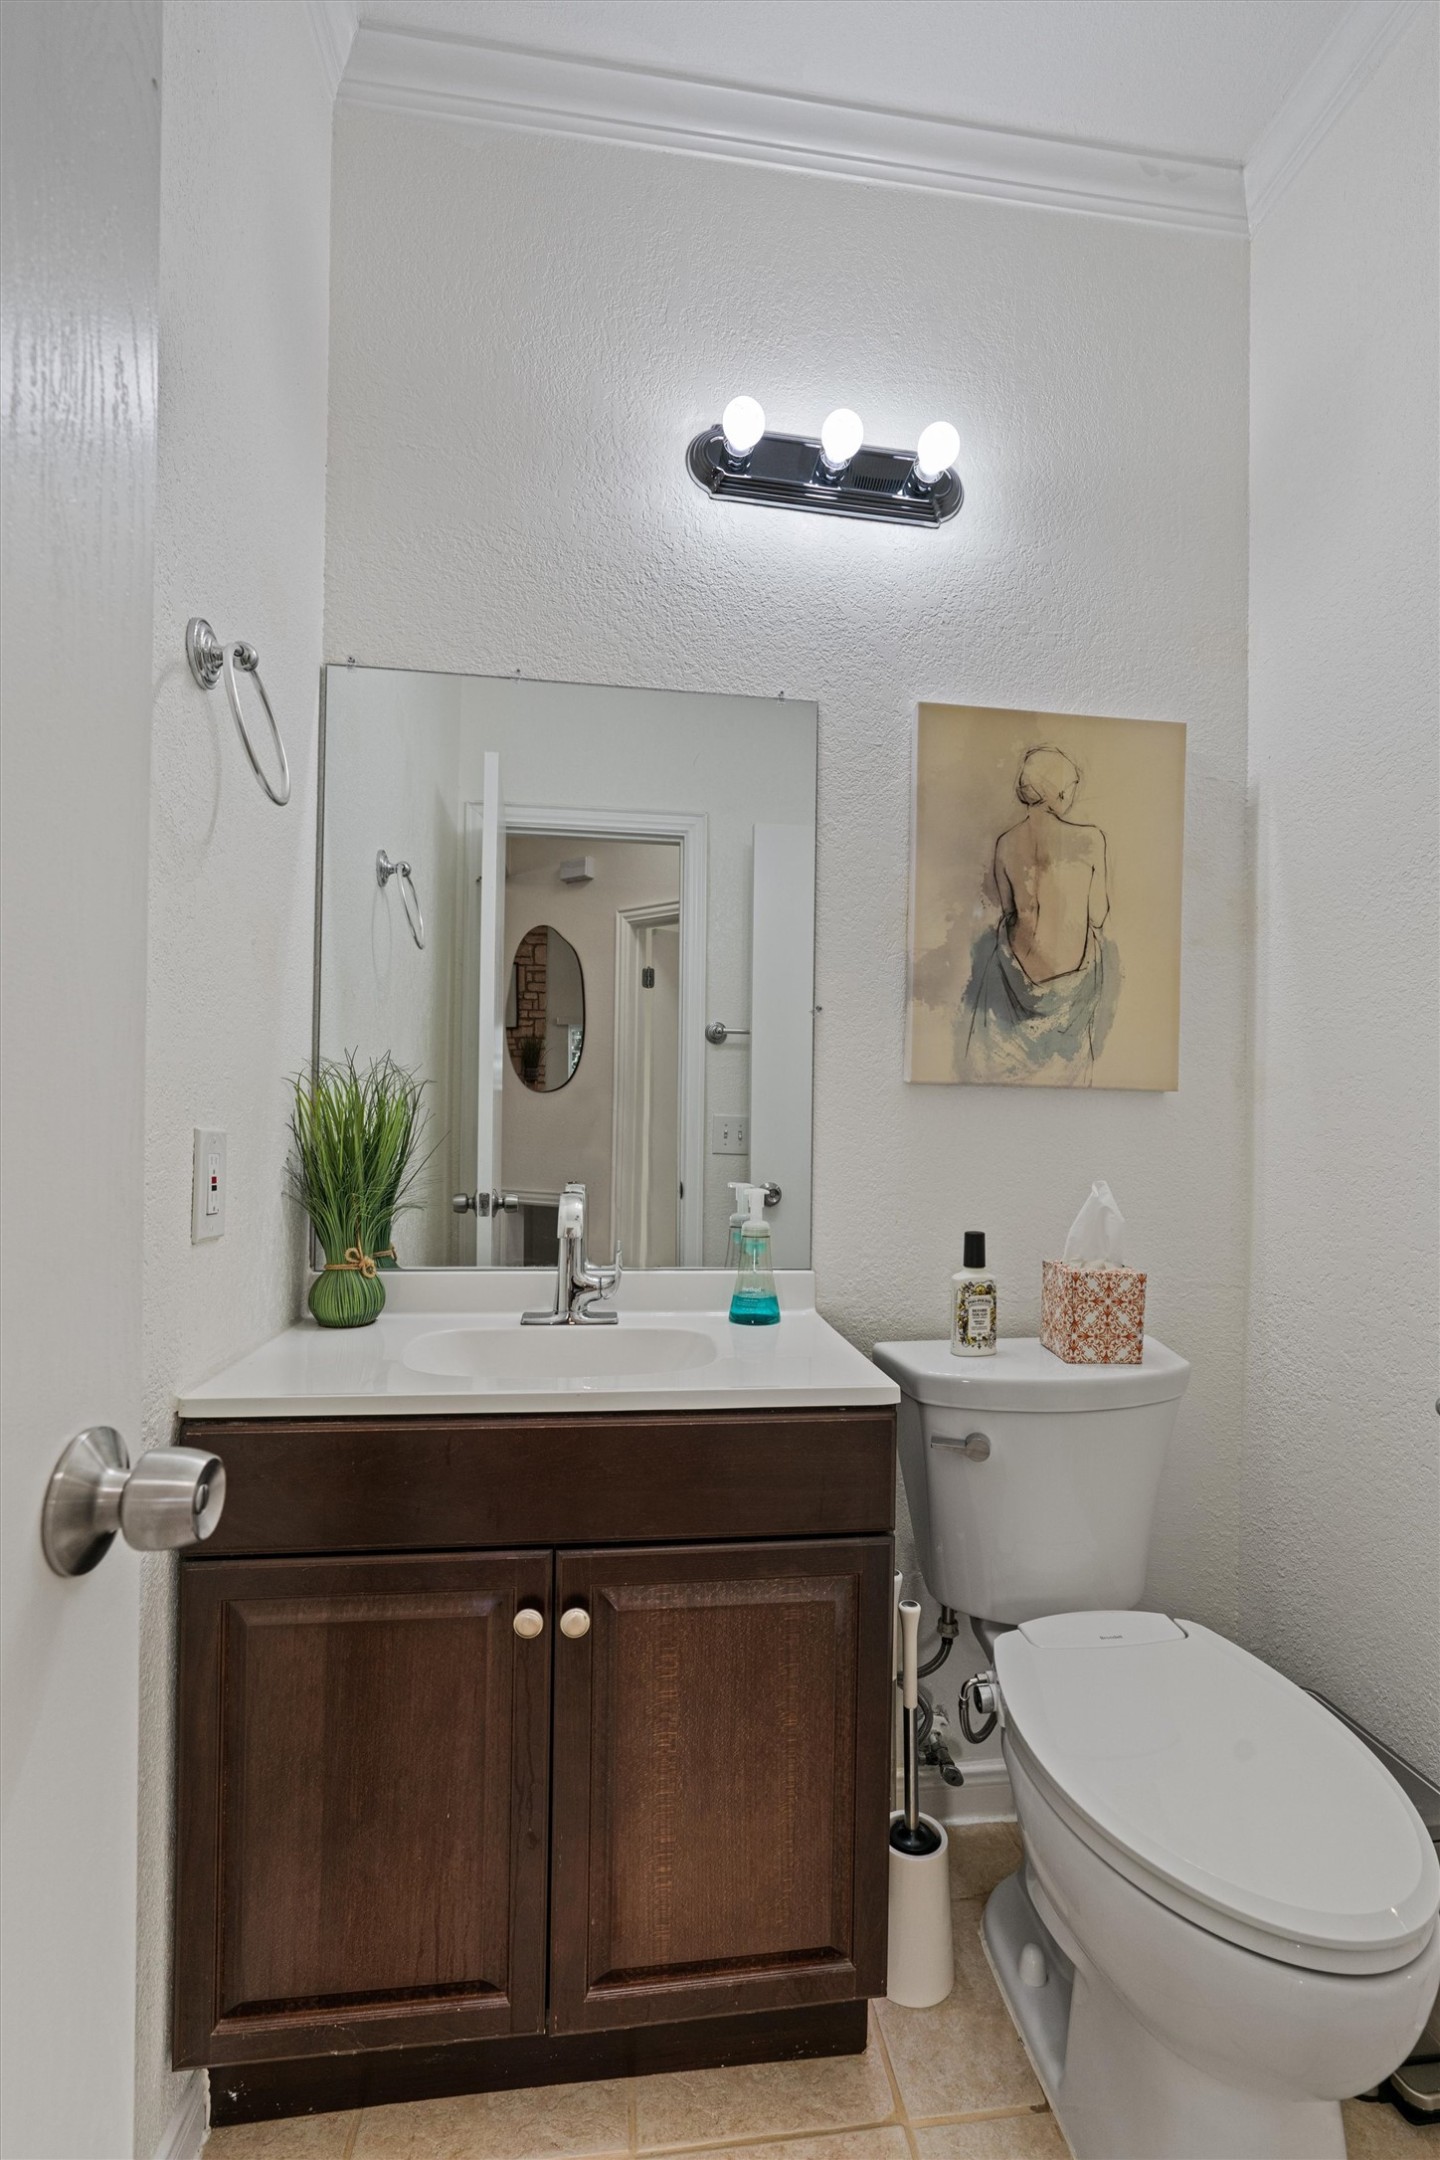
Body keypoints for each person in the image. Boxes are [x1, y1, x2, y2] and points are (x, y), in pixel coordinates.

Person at [958, 745, 1118, 1083]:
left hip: (1013, 972)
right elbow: (1099, 915)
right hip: (1072, 979)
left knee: (1000, 1070)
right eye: (1071, 788)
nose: (1072, 796)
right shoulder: (1091, 839)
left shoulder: (1005, 843)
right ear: (1058, 789)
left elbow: (1008, 909)